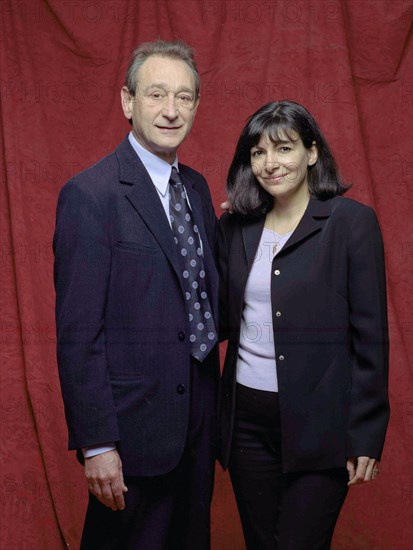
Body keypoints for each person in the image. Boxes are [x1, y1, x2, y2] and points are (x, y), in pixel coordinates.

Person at [53, 40, 219, 550]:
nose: (172, 110)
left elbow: (200, 294)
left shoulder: (197, 189)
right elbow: (79, 333)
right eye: (157, 94)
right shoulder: (91, 195)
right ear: (128, 102)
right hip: (130, 433)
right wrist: (98, 443)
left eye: (185, 97)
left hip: (197, 425)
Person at [217, 100, 389, 550]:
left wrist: (367, 433)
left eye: (284, 148)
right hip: (246, 426)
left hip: (320, 425)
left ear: (312, 153)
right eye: (257, 153)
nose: (270, 163)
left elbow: (370, 338)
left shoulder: (351, 224)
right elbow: (215, 314)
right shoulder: (235, 227)